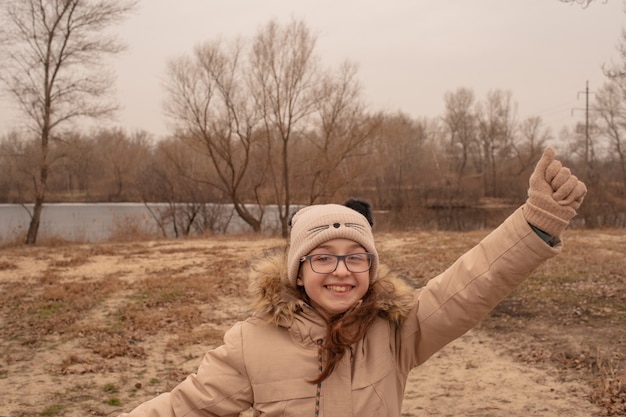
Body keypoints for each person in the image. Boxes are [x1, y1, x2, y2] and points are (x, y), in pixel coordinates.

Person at [119, 148, 587, 416]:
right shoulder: (250, 343)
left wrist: (537, 224)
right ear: (298, 272)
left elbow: (474, 282)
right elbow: (184, 408)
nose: (341, 271)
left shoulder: (398, 330)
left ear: (370, 268)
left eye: (355, 258)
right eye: (322, 258)